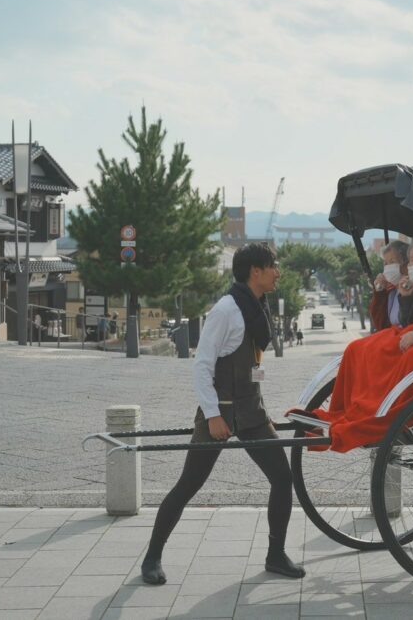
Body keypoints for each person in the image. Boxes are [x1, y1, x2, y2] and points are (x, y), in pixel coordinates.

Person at [142, 243, 303, 585]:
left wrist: (262, 409)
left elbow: (252, 365)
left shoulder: (257, 305)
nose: (278, 272)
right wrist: (213, 415)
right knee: (189, 484)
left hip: (252, 411)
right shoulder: (226, 309)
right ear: (255, 272)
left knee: (282, 478)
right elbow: (202, 365)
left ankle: (275, 555)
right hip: (222, 411)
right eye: (273, 266)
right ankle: (152, 556)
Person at [309, 238, 413, 452]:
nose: (409, 267)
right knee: (358, 348)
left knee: (410, 356)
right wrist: (406, 298)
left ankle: (384, 411)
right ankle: (356, 407)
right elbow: (408, 321)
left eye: (412, 262)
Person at [369, 240, 413, 332]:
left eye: (392, 262)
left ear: (406, 263)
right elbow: (380, 324)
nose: (388, 267)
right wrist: (380, 293)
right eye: (385, 263)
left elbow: (410, 322)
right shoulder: (391, 290)